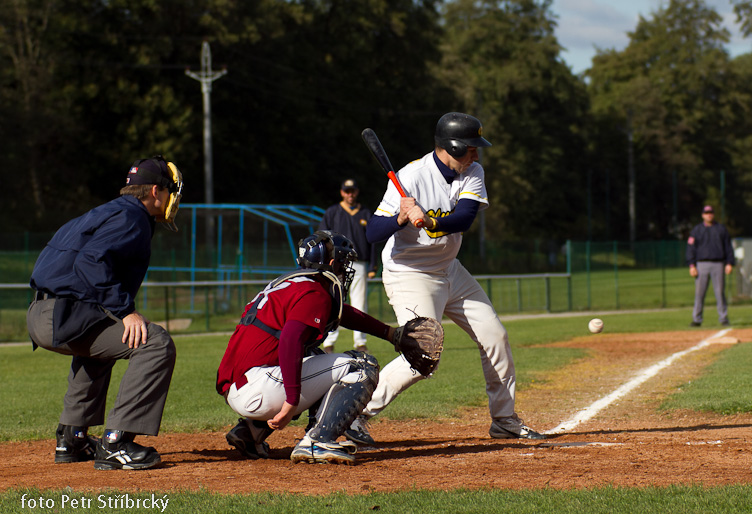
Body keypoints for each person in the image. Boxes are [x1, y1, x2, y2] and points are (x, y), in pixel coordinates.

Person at [344, 112, 545, 445]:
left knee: (495, 336)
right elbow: (374, 233)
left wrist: (433, 224)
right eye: (471, 148)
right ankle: (353, 415)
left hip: (449, 268)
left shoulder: (472, 171)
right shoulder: (411, 176)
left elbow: (464, 217)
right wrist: (401, 216)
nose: (477, 154)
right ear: (452, 146)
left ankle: (504, 419)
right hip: (410, 273)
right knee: (422, 354)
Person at [26, 155, 184, 470]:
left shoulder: (105, 212)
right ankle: (117, 441)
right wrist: (126, 311)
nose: (171, 199)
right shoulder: (133, 218)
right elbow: (89, 262)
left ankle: (72, 437)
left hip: (42, 312)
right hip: (63, 314)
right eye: (170, 192)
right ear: (155, 191)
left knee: (102, 345)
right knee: (154, 342)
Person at [216, 230, 399, 465]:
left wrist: (390, 334)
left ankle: (250, 433)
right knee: (361, 366)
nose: (344, 269)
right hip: (259, 389)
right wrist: (291, 402)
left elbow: (343, 314)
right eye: (343, 263)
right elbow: (290, 341)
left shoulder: (291, 284)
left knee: (315, 358)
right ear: (331, 264)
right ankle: (318, 440)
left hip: (240, 385)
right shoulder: (315, 293)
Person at [318, 179, 378, 353]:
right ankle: (329, 341)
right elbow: (322, 237)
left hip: (359, 262)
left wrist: (373, 266)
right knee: (334, 301)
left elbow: (373, 241)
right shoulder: (332, 212)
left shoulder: (365, 213)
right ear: (342, 192)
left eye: (352, 191)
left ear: (357, 192)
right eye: (347, 191)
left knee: (360, 303)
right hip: (336, 264)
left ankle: (360, 342)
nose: (350, 194)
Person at [686, 205, 735, 327]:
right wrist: (691, 265)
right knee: (699, 293)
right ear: (703, 215)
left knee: (720, 293)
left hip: (718, 264)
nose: (709, 214)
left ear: (713, 214)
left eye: (711, 212)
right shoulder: (696, 230)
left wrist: (729, 262)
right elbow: (691, 249)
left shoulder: (721, 229)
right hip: (701, 264)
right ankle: (697, 319)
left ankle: (723, 318)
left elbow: (728, 247)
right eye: (706, 212)